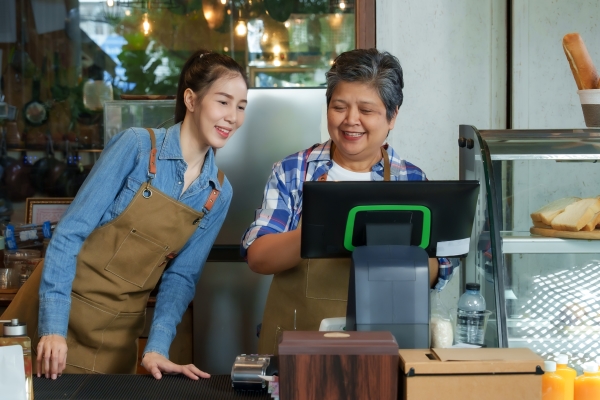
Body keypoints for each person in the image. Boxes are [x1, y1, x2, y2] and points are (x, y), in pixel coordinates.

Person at [1, 50, 248, 379]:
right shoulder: (136, 147)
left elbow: (181, 278)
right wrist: (52, 329)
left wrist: (157, 347)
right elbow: (68, 234)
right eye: (223, 101)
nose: (232, 116)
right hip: (55, 316)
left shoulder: (217, 192)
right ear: (191, 99)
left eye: (241, 106)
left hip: (115, 336)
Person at [241, 48, 454, 355]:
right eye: (339, 106)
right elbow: (258, 257)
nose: (351, 120)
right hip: (299, 352)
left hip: (384, 350)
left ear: (393, 116)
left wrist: (398, 253)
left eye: (366, 110)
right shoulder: (292, 171)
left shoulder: (411, 181)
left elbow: (441, 268)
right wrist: (316, 227)